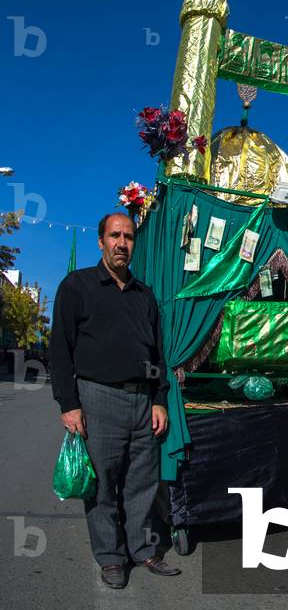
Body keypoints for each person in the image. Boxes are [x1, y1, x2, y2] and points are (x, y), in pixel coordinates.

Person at [50, 212, 181, 589]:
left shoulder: (145, 295)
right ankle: (110, 557)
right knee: (103, 485)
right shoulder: (77, 287)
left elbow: (157, 355)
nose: (122, 243)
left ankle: (143, 549)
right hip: (97, 399)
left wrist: (158, 400)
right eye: (115, 236)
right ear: (101, 241)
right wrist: (69, 403)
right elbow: (60, 349)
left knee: (142, 482)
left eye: (128, 237)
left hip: (142, 403)